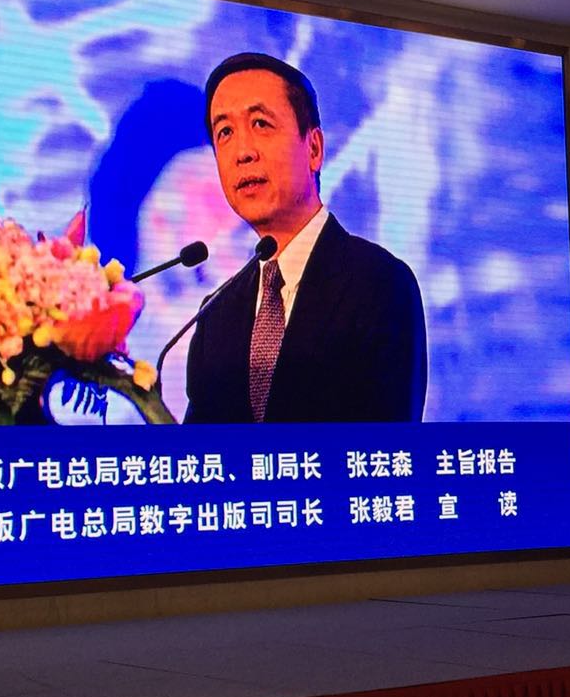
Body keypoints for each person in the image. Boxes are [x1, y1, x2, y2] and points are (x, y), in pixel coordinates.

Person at [183, 52, 427, 423]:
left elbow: (388, 444)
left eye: (261, 124)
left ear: (313, 149)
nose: (242, 153)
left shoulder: (381, 283)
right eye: (225, 133)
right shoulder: (215, 314)